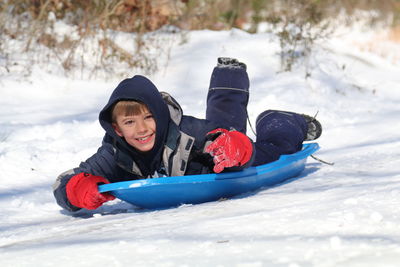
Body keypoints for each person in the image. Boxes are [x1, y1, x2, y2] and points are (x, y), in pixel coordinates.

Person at [53, 57, 322, 212]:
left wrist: (235, 147)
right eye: (130, 122)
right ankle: (229, 73)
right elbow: (66, 181)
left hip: (226, 162)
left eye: (149, 117)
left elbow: (220, 136)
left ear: (160, 116)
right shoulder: (114, 152)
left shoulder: (187, 133)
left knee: (274, 149)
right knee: (224, 121)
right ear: (117, 128)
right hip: (209, 163)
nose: (142, 129)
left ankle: (279, 120)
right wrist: (78, 190)